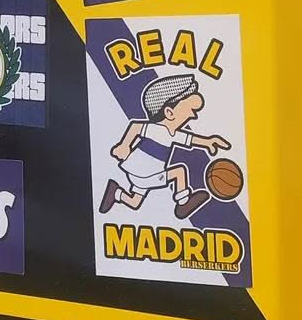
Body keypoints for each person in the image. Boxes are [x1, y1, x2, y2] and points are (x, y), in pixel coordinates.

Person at [98, 73, 231, 220]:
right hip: (145, 173)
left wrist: (207, 142)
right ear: (169, 112)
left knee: (135, 202)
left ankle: (115, 192)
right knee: (178, 172)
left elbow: (190, 138)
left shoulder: (172, 133)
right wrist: (124, 145)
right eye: (191, 111)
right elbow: (136, 126)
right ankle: (183, 202)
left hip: (140, 172)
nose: (193, 116)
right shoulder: (158, 130)